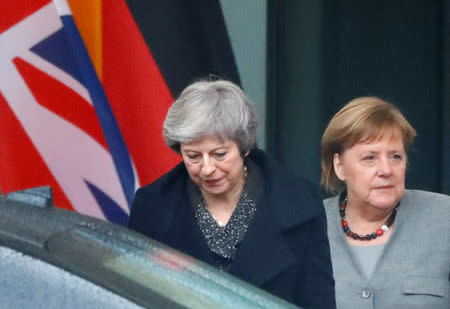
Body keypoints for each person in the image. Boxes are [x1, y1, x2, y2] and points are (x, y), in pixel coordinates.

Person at [129, 79, 336, 308]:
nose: (207, 168)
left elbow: (318, 302)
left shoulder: (302, 205)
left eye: (219, 154)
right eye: (193, 156)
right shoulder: (151, 207)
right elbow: (131, 297)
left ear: (244, 147)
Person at [321, 96, 450, 309]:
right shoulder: (310, 225)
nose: (386, 170)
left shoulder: (443, 217)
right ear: (339, 166)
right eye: (369, 158)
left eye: (395, 157)